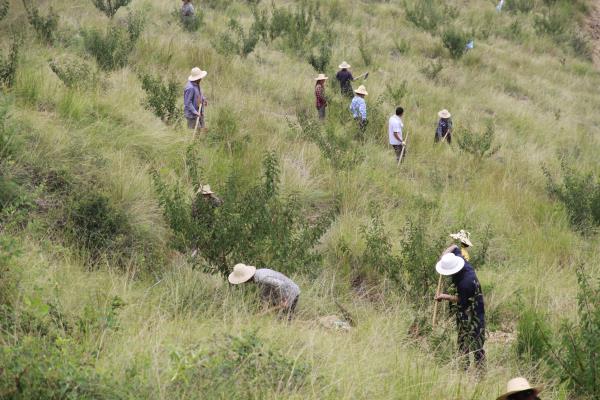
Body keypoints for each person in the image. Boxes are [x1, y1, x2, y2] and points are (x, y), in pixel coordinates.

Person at [434, 249, 485, 370]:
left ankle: (480, 372)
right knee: (462, 341)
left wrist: (444, 296)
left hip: (474, 310)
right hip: (464, 308)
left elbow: (461, 299)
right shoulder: (459, 259)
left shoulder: (465, 283)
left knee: (475, 340)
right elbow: (454, 246)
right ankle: (464, 368)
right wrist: (443, 256)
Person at [228, 263, 300, 320]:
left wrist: (284, 299)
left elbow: (280, 285)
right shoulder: (258, 276)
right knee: (278, 319)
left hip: (291, 292)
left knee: (284, 320)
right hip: (285, 293)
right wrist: (264, 305)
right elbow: (266, 291)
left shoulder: (262, 278)